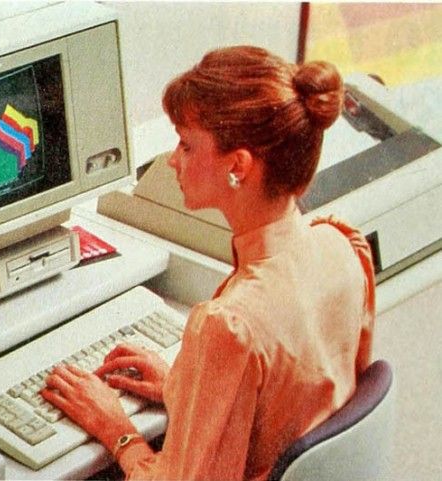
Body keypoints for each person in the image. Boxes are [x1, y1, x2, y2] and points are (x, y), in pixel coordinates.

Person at [41, 45, 376, 481]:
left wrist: (117, 430)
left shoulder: (229, 326)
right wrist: (183, 389)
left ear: (238, 166)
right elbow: (292, 402)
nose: (172, 159)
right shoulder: (342, 245)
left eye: (186, 144)